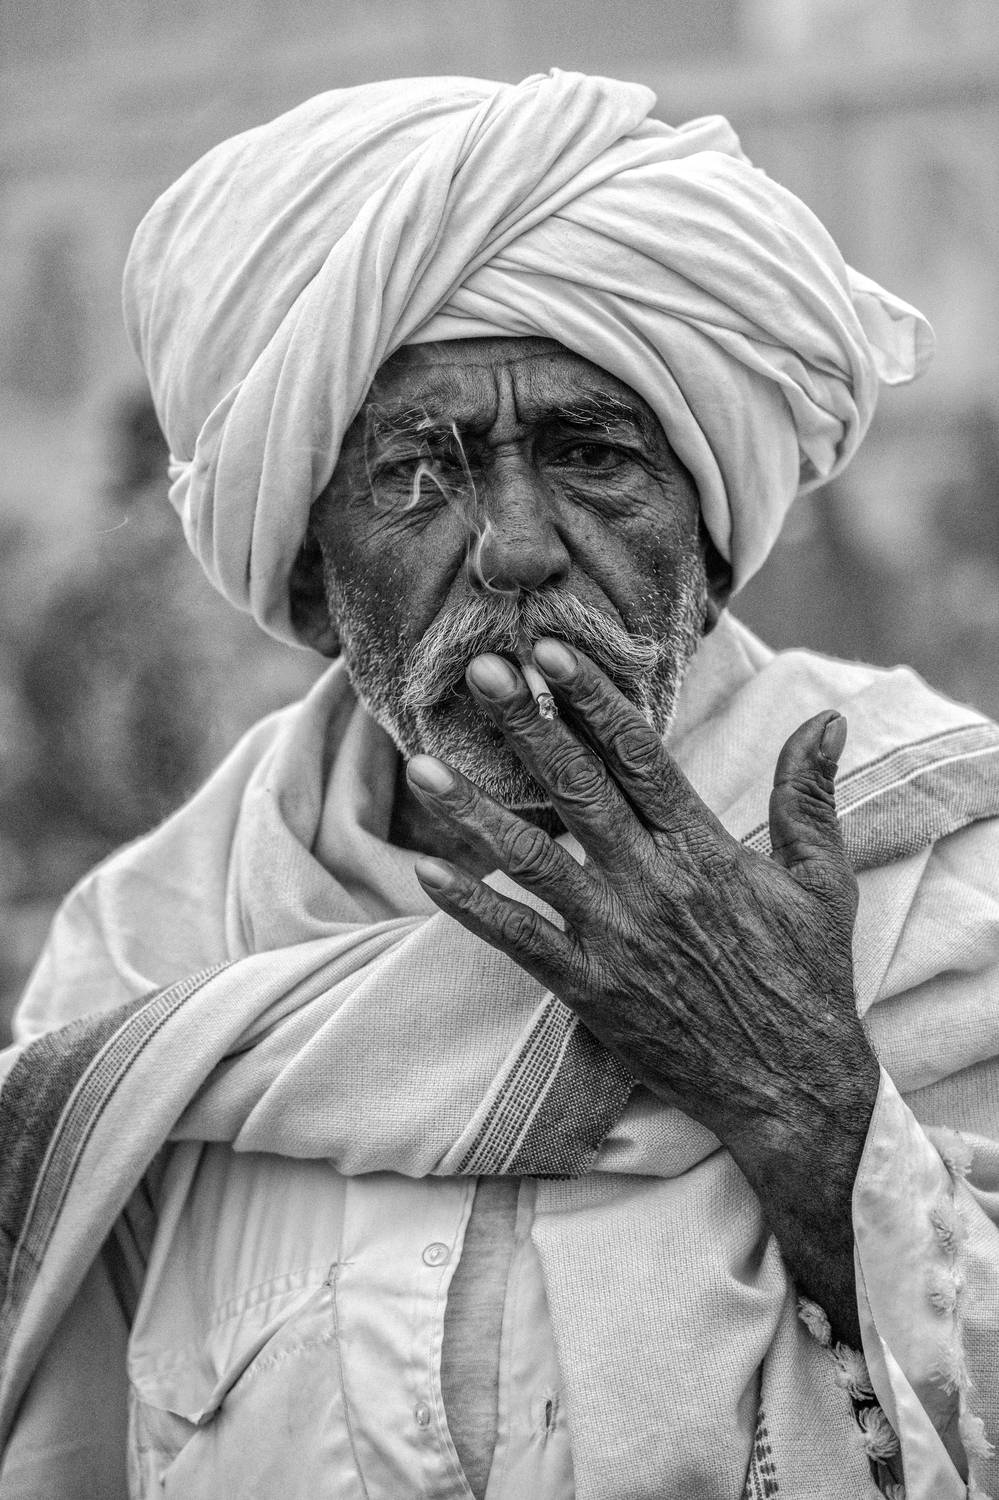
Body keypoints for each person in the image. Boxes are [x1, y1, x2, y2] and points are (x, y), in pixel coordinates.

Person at [1, 70, 997, 1500]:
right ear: (310, 572)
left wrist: (803, 1103)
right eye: (421, 472)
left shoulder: (951, 893)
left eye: (593, 457)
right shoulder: (147, 966)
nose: (517, 546)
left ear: (713, 542)